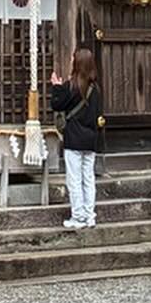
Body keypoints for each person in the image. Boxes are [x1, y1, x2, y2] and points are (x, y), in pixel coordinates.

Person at [51, 47, 103, 230]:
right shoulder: (95, 89)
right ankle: (90, 215)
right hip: (90, 139)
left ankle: (78, 216)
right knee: (88, 178)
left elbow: (56, 104)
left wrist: (56, 87)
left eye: (73, 58)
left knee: (74, 179)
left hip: (73, 138)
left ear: (77, 62)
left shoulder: (71, 86)